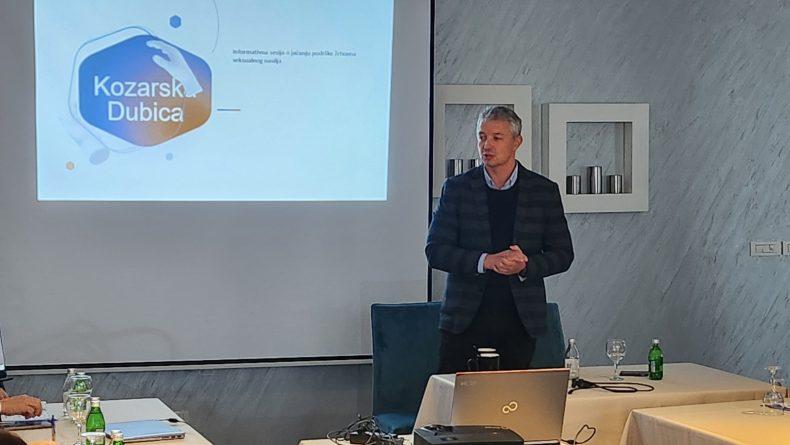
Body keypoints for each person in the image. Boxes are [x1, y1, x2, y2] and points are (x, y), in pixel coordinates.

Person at [426, 106, 574, 373]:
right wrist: (486, 261)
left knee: (514, 398)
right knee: (460, 398)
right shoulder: (457, 189)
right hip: (464, 321)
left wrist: (525, 265)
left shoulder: (543, 191)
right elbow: (435, 251)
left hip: (520, 321)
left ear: (517, 142)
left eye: (496, 137)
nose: (486, 145)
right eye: (482, 137)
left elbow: (563, 254)